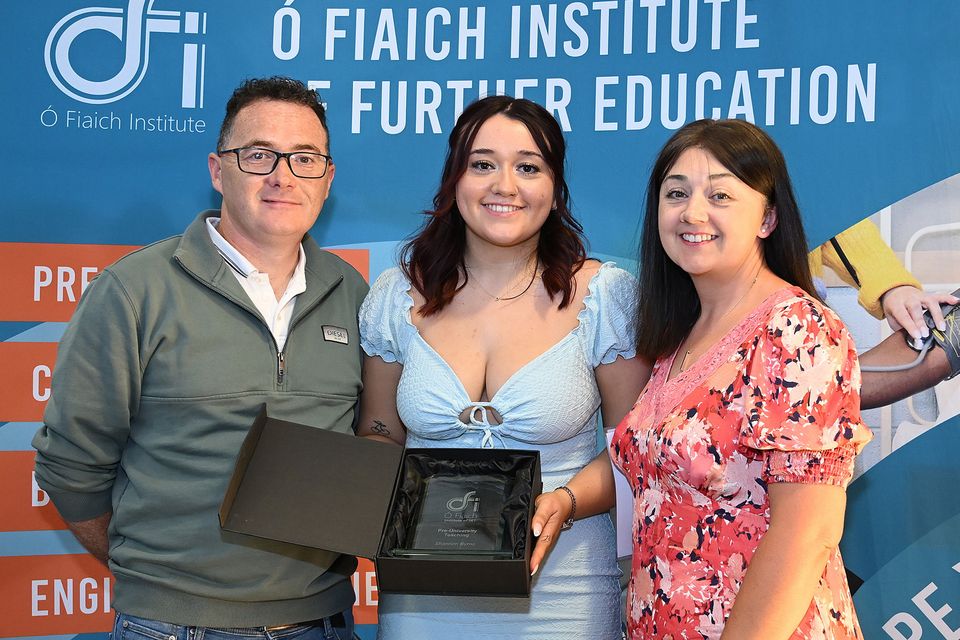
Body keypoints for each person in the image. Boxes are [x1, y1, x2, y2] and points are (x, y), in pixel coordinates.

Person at [32, 77, 366, 640]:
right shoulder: (133, 291)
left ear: (327, 178)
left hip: (324, 621)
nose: (283, 176)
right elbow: (70, 467)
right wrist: (164, 581)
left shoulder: (354, 293)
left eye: (305, 158)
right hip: (174, 627)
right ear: (218, 170)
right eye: (259, 155)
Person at [533, 118, 872, 639]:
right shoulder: (681, 337)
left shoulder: (797, 330)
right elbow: (649, 460)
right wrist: (565, 498)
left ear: (768, 216)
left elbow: (809, 532)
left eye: (720, 195)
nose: (693, 213)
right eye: (676, 193)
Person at [357, 95, 650, 638]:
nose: (505, 186)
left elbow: (636, 450)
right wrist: (372, 475)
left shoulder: (604, 297)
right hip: (423, 600)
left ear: (555, 186)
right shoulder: (397, 295)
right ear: (455, 178)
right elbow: (379, 430)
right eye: (483, 163)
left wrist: (564, 501)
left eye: (528, 167)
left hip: (566, 593)